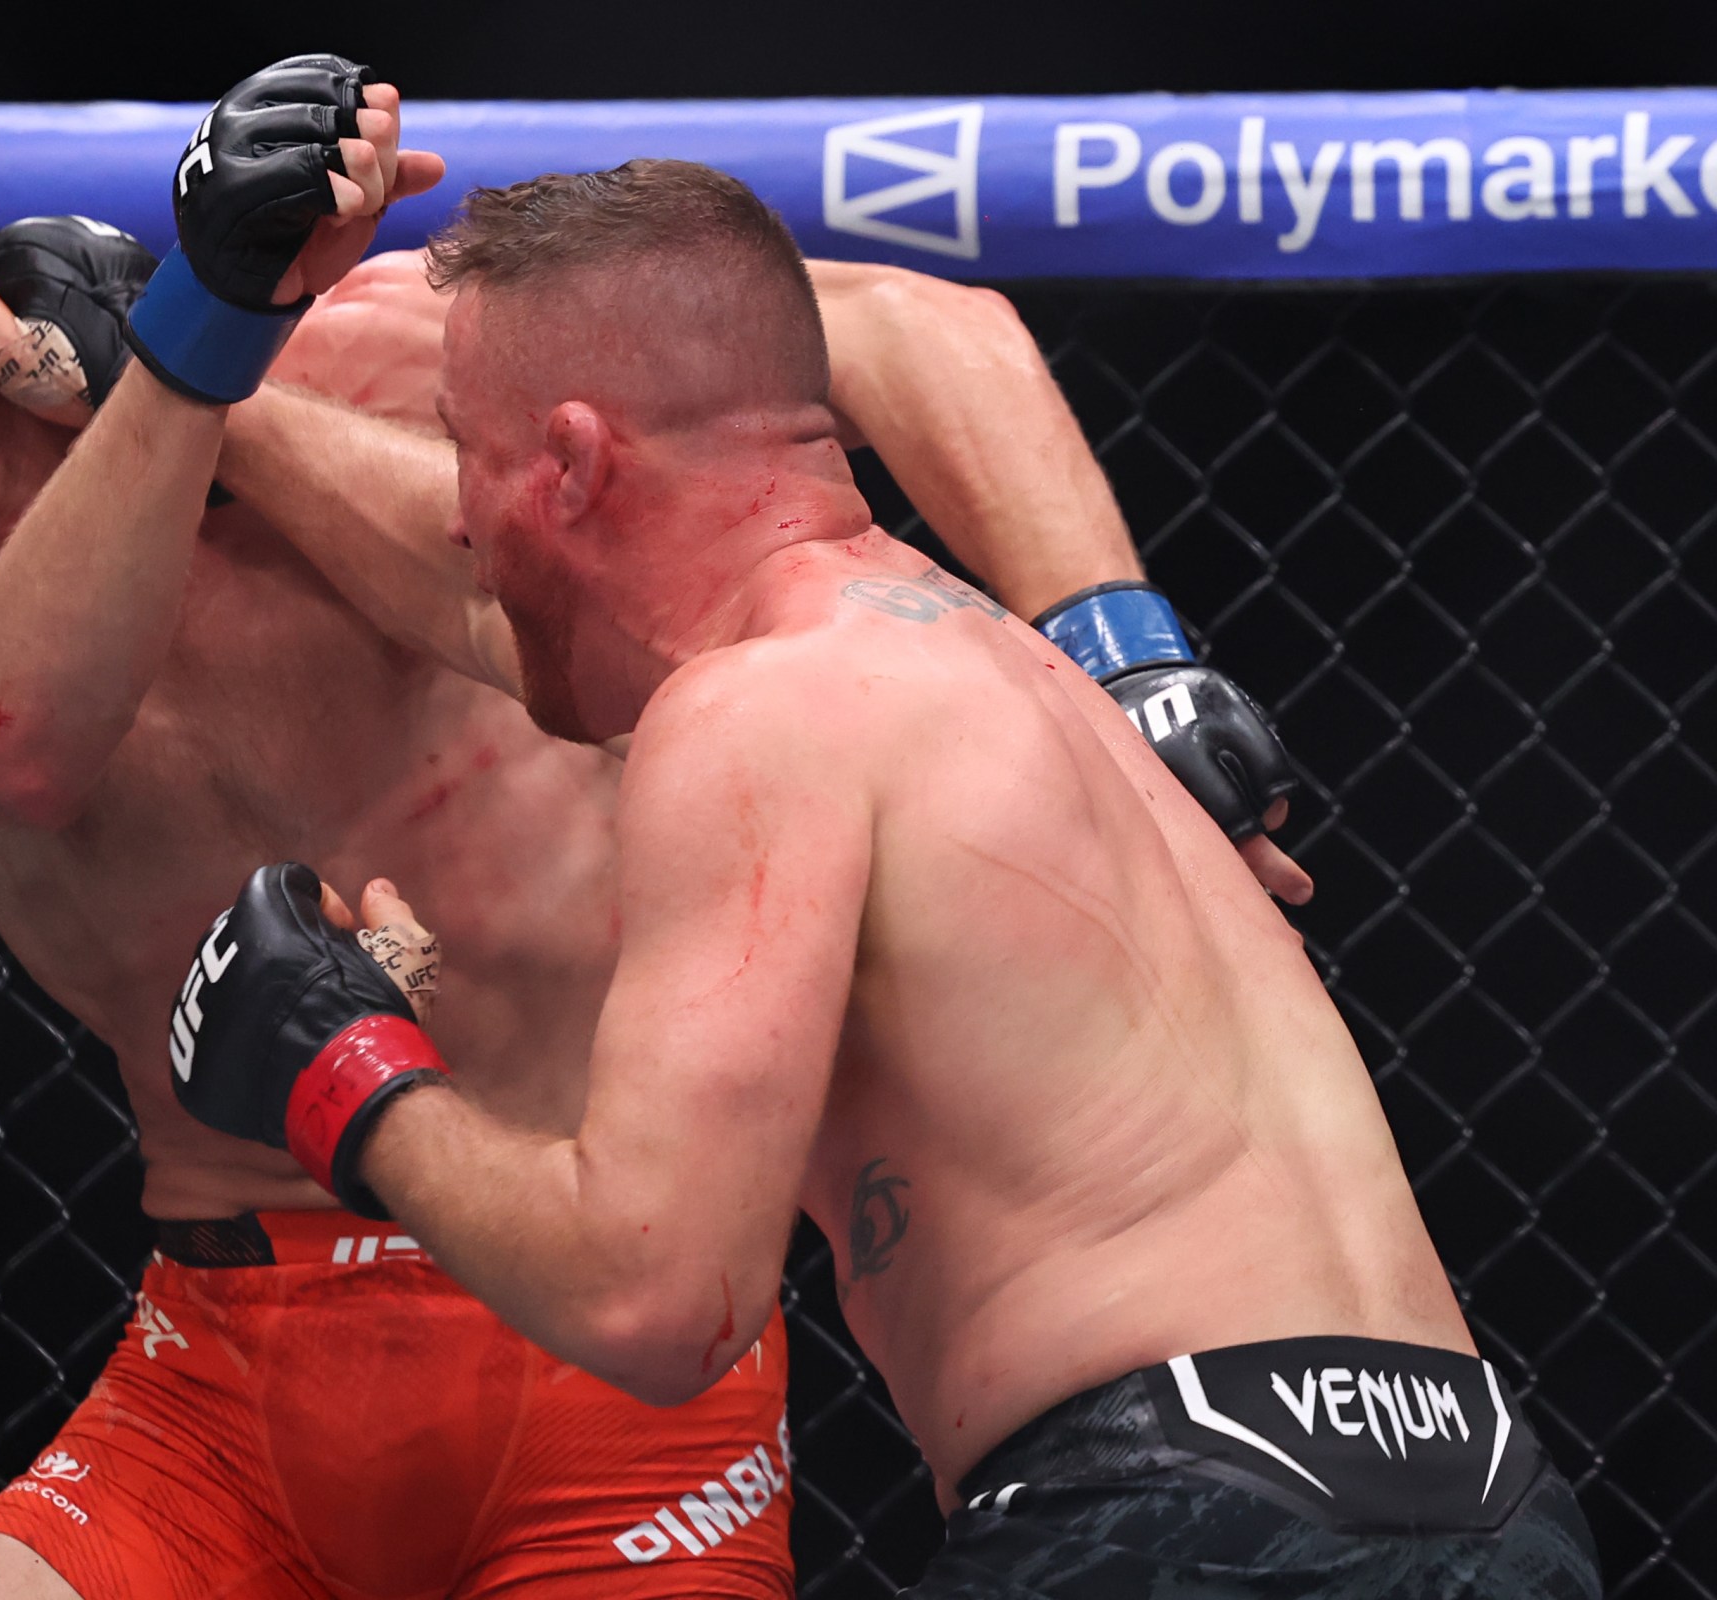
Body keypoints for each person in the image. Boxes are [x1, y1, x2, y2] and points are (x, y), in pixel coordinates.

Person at [0, 56, 1298, 1598]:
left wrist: (1131, 676)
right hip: (226, 1377)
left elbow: (934, 338)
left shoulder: (356, 354)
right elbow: (16, 737)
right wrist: (192, 343)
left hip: (610, 1352)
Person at [168, 160, 1602, 1598]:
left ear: (575, 462)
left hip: (1184, 1520)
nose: (462, 521)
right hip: (1495, 1497)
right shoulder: (1013, 669)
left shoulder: (755, 712)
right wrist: (189, 375)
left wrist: (342, 1070)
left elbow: (656, 1295)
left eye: (462, 451)